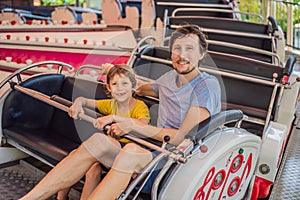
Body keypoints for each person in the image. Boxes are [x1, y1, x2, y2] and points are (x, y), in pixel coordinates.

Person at [20, 24, 221, 200]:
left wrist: (132, 124)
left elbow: (181, 139)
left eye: (190, 49)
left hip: (178, 163)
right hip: (153, 150)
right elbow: (140, 87)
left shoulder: (206, 86)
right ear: (171, 53)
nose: (182, 55)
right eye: (177, 48)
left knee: (129, 152)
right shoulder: (169, 79)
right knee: (98, 141)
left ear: (202, 54)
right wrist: (113, 73)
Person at [59, 64, 150, 200]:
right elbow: (84, 100)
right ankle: (61, 198)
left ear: (133, 85)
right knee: (89, 166)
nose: (120, 88)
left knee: (89, 159)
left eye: (124, 83)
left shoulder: (139, 107)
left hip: (126, 155)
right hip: (109, 151)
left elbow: (143, 125)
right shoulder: (111, 104)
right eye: (115, 84)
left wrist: (114, 118)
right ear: (109, 88)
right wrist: (77, 103)